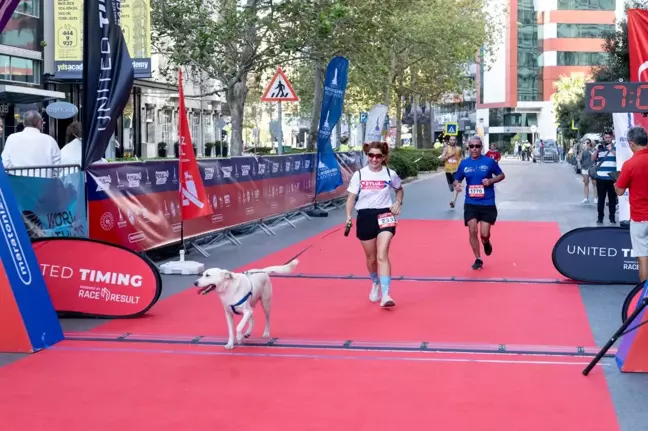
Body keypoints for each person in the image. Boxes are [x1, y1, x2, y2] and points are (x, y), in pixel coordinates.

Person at [346, 141, 404, 307]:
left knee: (382, 254)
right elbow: (351, 198)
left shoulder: (389, 174)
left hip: (385, 214)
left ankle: (386, 294)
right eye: (371, 155)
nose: (374, 159)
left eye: (378, 156)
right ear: (367, 156)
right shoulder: (360, 175)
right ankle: (375, 283)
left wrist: (398, 202)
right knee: (371, 259)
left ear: (384, 157)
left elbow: (399, 189)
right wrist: (348, 216)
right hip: (365, 215)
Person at [453, 135, 506, 270]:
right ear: (468, 147)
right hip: (471, 203)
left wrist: (490, 181)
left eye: (477, 146)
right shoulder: (464, 164)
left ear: (481, 148)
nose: (474, 149)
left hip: (487, 203)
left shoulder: (489, 162)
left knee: (484, 233)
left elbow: (501, 175)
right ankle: (478, 258)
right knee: (472, 230)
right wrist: (457, 185)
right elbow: (456, 178)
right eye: (472, 146)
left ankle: (486, 241)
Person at [615, 126, 648, 282]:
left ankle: (645, 295)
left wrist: (617, 181)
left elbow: (620, 191)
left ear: (632, 143)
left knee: (643, 256)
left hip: (640, 217)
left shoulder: (630, 164)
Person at [1, 110, 61, 178]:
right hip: (44, 183)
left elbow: (5, 162)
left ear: (24, 123)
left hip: (17, 183)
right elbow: (58, 165)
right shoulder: (50, 140)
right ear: (39, 122)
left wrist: (15, 174)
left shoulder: (11, 138)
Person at [593, 131, 617, 225]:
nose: (607, 139)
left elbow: (618, 157)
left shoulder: (616, 147)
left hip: (612, 177)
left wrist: (611, 149)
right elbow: (593, 159)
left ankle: (612, 217)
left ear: (612, 138)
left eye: (609, 137)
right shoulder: (600, 148)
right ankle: (600, 218)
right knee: (601, 199)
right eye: (606, 137)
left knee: (612, 199)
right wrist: (597, 150)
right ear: (603, 138)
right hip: (601, 177)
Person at [441, 135, 462, 208]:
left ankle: (453, 201)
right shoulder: (446, 149)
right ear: (449, 141)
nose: (452, 141)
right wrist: (449, 156)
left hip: (456, 170)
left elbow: (461, 158)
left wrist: (461, 164)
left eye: (454, 140)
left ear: (456, 141)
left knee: (456, 185)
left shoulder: (459, 149)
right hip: (448, 171)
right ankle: (452, 188)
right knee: (451, 188)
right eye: (451, 140)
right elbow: (442, 159)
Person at [579, 139, 596, 204]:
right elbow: (580, 158)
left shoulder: (593, 149)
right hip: (585, 168)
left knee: (594, 183)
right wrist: (583, 150)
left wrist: (590, 148)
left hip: (592, 167)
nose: (586, 144)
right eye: (585, 143)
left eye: (588, 142)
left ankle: (595, 198)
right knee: (586, 183)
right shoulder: (583, 150)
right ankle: (586, 198)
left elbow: (594, 157)